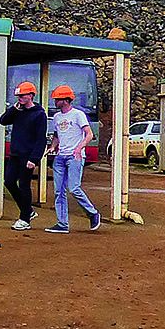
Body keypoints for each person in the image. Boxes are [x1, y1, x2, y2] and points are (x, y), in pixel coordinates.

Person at [43, 85, 101, 233]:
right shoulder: (56, 117)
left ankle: (92, 213)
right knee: (58, 191)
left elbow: (89, 134)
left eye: (58, 99)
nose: (55, 102)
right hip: (61, 156)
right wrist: (52, 147)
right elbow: (57, 136)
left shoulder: (78, 115)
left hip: (74, 156)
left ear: (66, 100)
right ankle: (62, 223)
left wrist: (79, 148)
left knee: (74, 187)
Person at [0, 81, 46, 230]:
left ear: (31, 96)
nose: (19, 98)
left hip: (28, 155)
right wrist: (14, 109)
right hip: (15, 153)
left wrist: (34, 158)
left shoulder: (39, 114)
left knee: (24, 185)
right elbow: (3, 120)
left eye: (22, 95)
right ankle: (28, 210)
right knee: (9, 182)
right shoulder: (17, 111)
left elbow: (41, 139)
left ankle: (25, 218)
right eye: (18, 95)